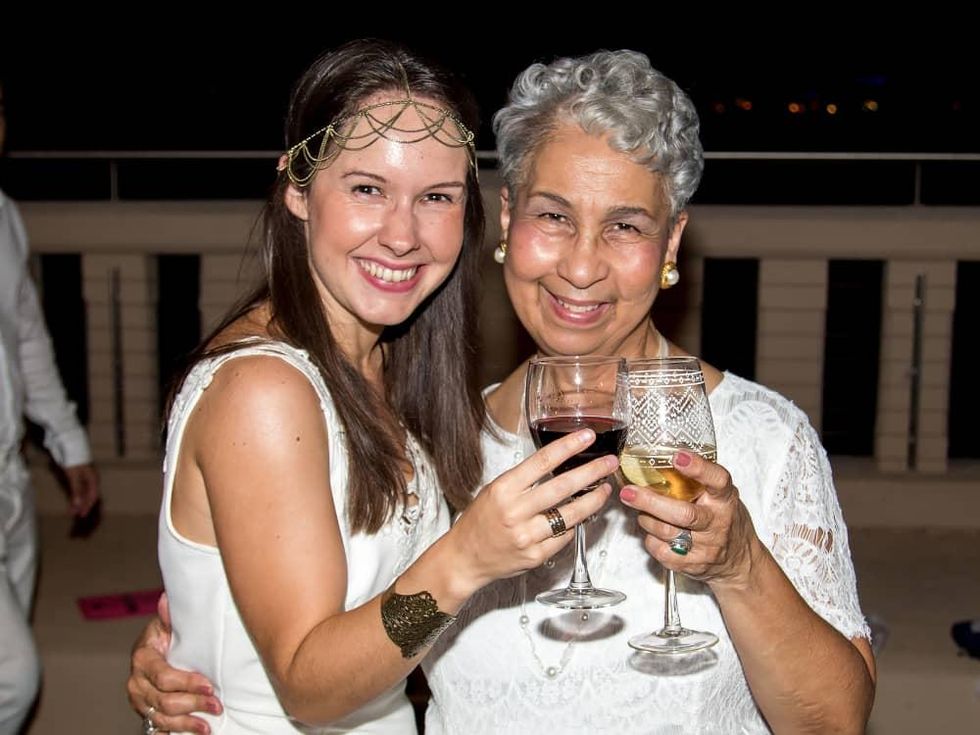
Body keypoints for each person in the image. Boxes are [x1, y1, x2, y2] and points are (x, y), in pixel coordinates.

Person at [129, 49, 877, 734]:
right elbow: (338, 643)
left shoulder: (762, 439)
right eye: (553, 216)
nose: (580, 267)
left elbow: (837, 720)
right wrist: (207, 636)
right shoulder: (449, 435)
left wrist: (740, 562)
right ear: (510, 218)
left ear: (671, 245)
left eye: (624, 226)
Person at [128, 39, 617, 735]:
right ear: (297, 188)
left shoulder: (388, 366)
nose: (402, 234)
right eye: (367, 189)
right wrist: (463, 559)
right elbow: (307, 686)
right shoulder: (262, 390)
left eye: (436, 197)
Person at [0, 80, 100, 733]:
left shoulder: (4, 214)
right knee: (14, 675)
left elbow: (26, 335)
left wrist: (69, 442)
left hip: (11, 479)